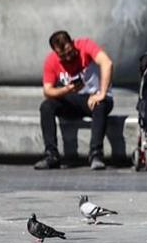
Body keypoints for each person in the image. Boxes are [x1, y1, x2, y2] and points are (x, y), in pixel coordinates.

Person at [35, 31, 114, 170]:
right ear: (55, 53)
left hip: (95, 98)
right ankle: (51, 155)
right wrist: (67, 89)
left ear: (72, 43)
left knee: (100, 105)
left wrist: (102, 93)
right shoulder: (51, 61)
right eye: (63, 56)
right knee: (46, 106)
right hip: (73, 100)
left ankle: (96, 154)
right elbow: (47, 91)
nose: (68, 57)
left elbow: (107, 63)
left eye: (70, 52)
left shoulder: (85, 45)